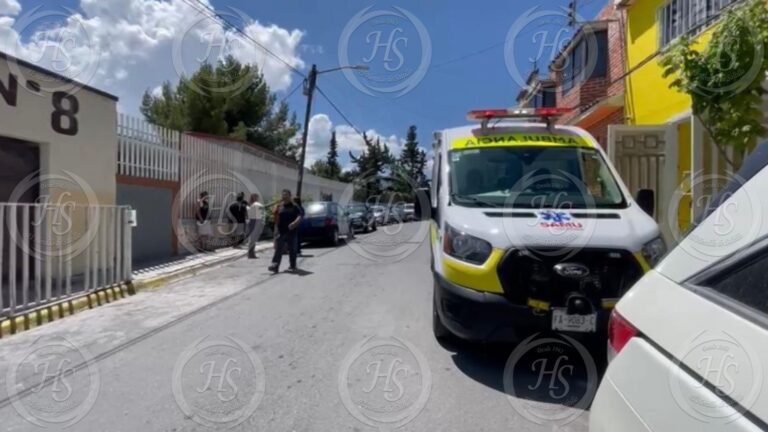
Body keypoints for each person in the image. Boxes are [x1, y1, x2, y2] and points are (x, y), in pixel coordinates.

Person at [268, 189, 302, 273]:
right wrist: (275, 232)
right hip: (281, 231)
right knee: (279, 249)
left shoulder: (294, 206)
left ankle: (292, 265)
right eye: (283, 195)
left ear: (290, 196)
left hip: (292, 231)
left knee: (292, 249)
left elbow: (299, 216)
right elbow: (277, 219)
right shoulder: (280, 206)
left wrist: (294, 223)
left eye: (286, 195)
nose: (284, 196)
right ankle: (275, 265)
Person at [246, 193, 264, 259]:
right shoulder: (256, 205)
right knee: (252, 240)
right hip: (255, 223)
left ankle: (251, 253)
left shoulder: (252, 205)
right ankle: (251, 254)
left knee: (252, 240)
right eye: (256, 197)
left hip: (253, 223)